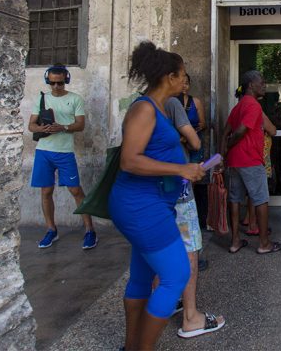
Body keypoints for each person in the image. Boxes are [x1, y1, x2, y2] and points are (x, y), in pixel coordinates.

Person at [108, 41, 205, 350]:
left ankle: (132, 345)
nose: (185, 80)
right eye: (182, 74)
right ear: (169, 77)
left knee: (141, 276)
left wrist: (188, 169)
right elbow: (129, 159)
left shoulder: (160, 109)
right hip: (141, 205)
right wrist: (180, 171)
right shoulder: (144, 108)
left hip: (151, 204)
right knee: (176, 275)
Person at [163, 94, 225, 339]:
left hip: (157, 193)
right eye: (180, 75)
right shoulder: (173, 104)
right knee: (189, 252)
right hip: (178, 190)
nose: (184, 82)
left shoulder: (142, 105)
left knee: (160, 252)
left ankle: (166, 304)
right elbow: (195, 142)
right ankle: (190, 318)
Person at [27, 64, 96, 250]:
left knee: (75, 190)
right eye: (53, 83)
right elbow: (31, 125)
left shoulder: (75, 99)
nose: (56, 87)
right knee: (46, 192)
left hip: (64, 152)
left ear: (66, 80)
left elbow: (80, 125)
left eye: (60, 83)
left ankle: (90, 229)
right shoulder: (42, 98)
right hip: (44, 151)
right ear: (48, 81)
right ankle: (51, 229)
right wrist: (42, 129)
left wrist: (63, 127)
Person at [220, 70, 281, 255]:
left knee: (235, 200)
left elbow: (224, 133)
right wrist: (229, 146)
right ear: (250, 86)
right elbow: (239, 132)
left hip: (235, 162)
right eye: (261, 82)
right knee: (261, 200)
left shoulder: (238, 107)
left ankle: (235, 242)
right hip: (250, 160)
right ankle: (264, 243)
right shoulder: (254, 106)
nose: (264, 85)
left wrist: (224, 152)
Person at [176, 75, 210, 271]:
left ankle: (192, 254)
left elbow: (202, 125)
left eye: (187, 82)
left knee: (190, 195)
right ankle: (191, 255)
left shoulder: (194, 102)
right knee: (184, 205)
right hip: (179, 156)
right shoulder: (171, 104)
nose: (184, 86)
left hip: (192, 149)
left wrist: (187, 136)